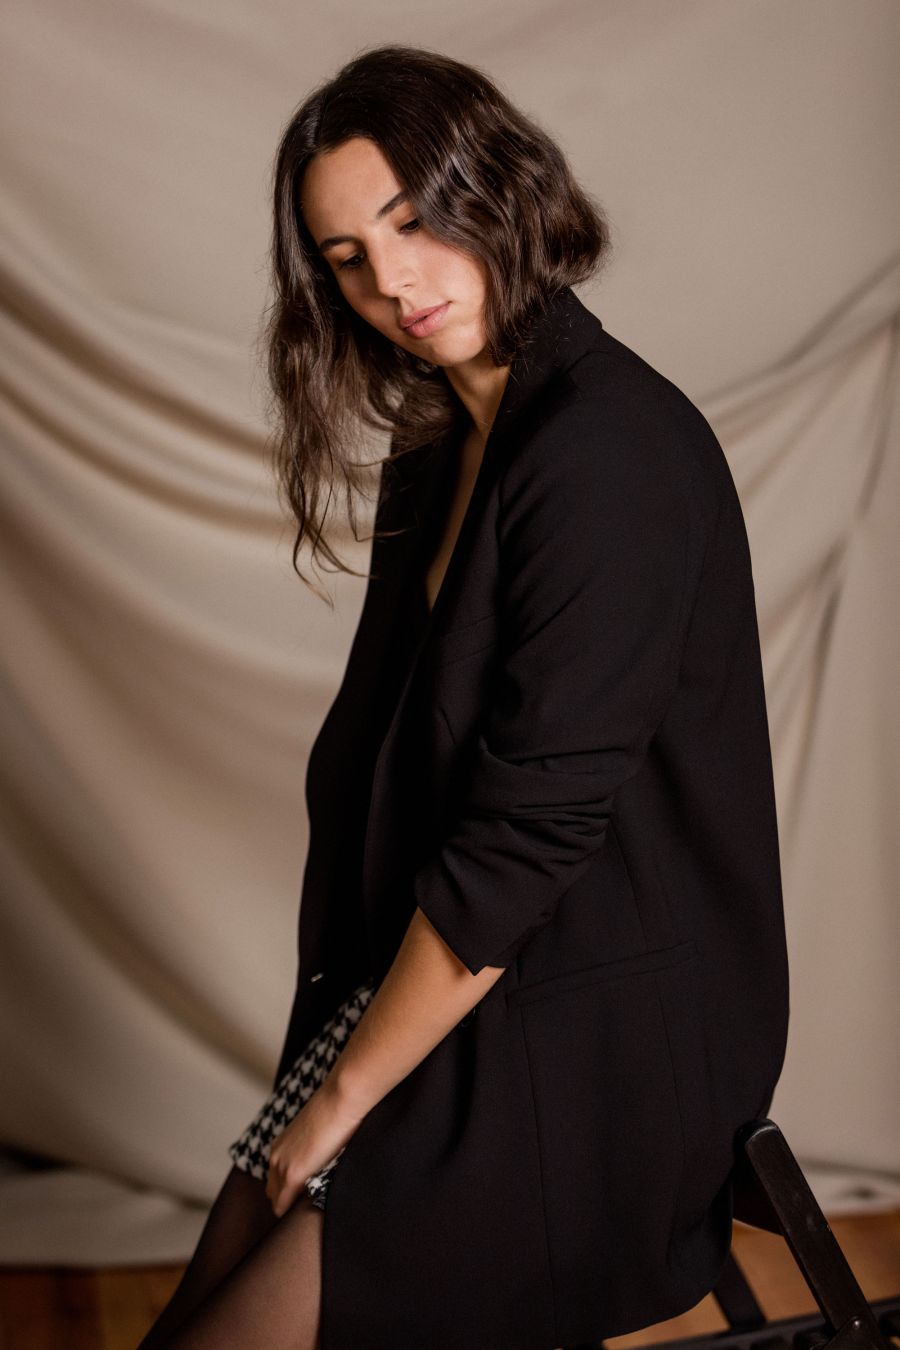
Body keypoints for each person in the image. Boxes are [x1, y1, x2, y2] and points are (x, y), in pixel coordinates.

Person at [137, 42, 790, 1350]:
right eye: (346, 257)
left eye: (413, 220)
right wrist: (332, 1064)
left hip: (597, 1042)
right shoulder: (441, 444)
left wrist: (341, 1100)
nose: (392, 282)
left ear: (495, 189)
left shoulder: (607, 450)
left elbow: (525, 840)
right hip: (448, 993)